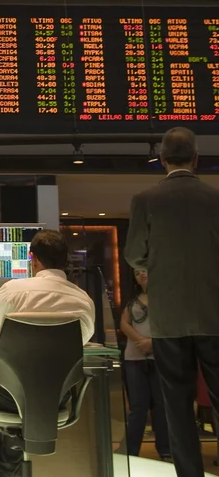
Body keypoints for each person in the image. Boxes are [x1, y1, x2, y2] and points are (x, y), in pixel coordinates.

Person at [0, 230, 95, 477]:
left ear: (33, 258)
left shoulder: (14, 290)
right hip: (55, 396)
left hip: (3, 396)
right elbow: (81, 343)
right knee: (17, 395)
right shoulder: (83, 300)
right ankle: (7, 462)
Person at [125, 126, 219, 477]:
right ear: (196, 158)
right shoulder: (215, 199)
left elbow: (135, 254)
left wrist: (159, 263)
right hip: (214, 316)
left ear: (162, 159)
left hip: (167, 320)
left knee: (177, 405)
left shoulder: (145, 200)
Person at [119, 269, 171, 460]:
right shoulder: (132, 300)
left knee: (162, 406)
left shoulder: (166, 298)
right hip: (134, 357)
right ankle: (131, 452)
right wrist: (141, 341)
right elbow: (124, 324)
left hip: (160, 358)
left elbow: (171, 324)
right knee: (137, 407)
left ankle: (165, 449)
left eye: (145, 270)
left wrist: (152, 343)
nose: (142, 274)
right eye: (137, 272)